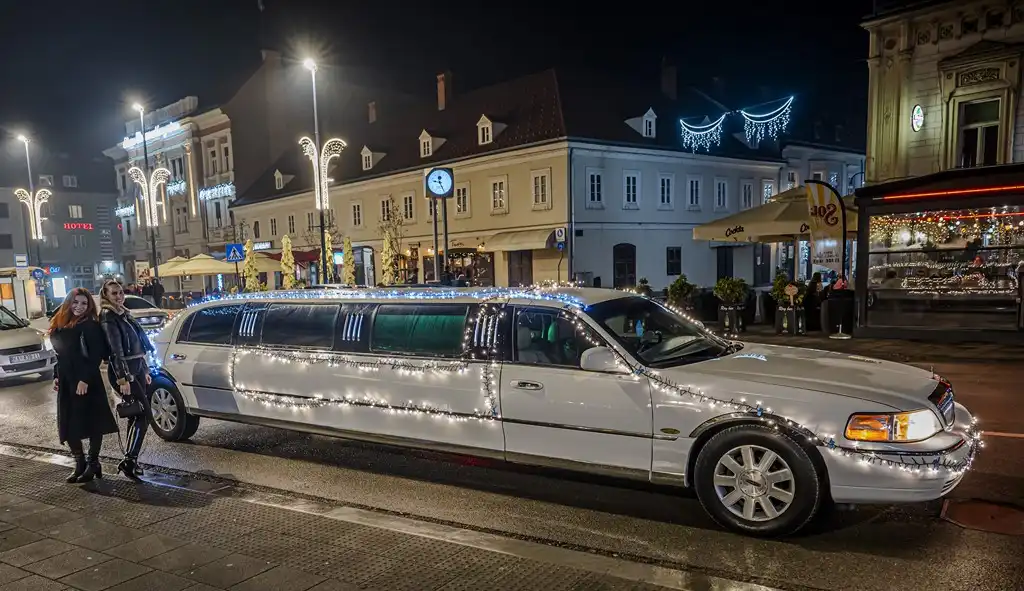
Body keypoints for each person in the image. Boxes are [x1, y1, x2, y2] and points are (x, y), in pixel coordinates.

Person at [49, 288, 119, 483]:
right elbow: (59, 354)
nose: (79, 307)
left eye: (84, 303)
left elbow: (96, 354)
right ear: (68, 303)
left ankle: (93, 462)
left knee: (92, 422)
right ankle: (79, 462)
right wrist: (56, 375)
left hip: (85, 380)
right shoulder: (59, 324)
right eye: (76, 302)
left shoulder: (90, 326)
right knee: (69, 424)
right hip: (66, 378)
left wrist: (85, 379)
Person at [99, 280, 154, 481]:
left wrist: (145, 368)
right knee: (144, 414)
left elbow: (137, 343)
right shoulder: (108, 315)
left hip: (136, 367)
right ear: (105, 295)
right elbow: (116, 350)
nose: (119, 296)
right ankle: (129, 460)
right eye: (114, 293)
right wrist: (123, 378)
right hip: (124, 371)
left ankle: (130, 460)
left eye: (121, 292)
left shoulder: (123, 313)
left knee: (136, 413)